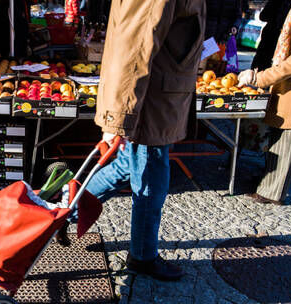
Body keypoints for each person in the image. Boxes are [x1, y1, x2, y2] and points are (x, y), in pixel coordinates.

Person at [85, 0, 205, 281]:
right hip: (151, 102)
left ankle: (64, 210)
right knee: (152, 177)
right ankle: (142, 255)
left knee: (128, 165)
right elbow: (134, 50)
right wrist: (117, 120)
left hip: (157, 96)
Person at [238, 0, 291, 205]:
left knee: (287, 135)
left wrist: (261, 78)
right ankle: (267, 183)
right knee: (276, 134)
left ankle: (272, 193)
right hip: (281, 81)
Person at [251, 0, 291, 70]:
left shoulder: (276, 2)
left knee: (261, 68)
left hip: (270, 39)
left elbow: (263, 16)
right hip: (282, 41)